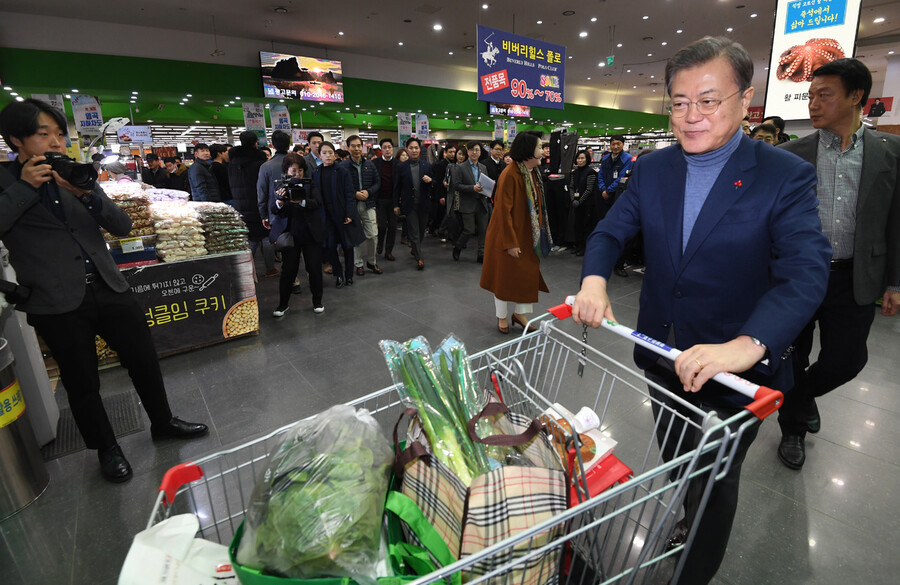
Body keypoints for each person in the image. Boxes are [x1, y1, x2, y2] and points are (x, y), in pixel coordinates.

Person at [571, 37, 830, 585]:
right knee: (680, 461)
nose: (691, 116)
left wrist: (748, 344)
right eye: (679, 102)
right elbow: (611, 230)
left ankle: (696, 569)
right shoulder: (652, 169)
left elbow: (805, 272)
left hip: (735, 373)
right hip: (663, 356)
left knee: (715, 480)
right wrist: (594, 278)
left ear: (745, 99)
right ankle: (685, 511)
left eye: (708, 100)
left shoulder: (784, 175)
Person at [0, 98, 208, 484]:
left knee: (144, 360)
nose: (56, 143)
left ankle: (162, 422)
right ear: (16, 140)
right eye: (43, 134)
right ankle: (106, 449)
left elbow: (123, 225)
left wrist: (86, 193)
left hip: (111, 287)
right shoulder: (6, 183)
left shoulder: (76, 174)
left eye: (60, 134)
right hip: (56, 301)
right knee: (82, 382)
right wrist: (27, 188)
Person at [776, 58, 900, 470]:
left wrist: (895, 282)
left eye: (823, 95)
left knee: (848, 360)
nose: (813, 104)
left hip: (855, 276)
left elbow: (896, 221)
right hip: (797, 275)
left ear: (856, 96)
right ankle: (792, 428)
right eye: (810, 95)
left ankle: (798, 396)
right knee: (791, 354)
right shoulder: (791, 154)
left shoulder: (890, 152)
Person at [480, 131, 552, 334]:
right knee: (503, 277)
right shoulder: (510, 174)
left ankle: (520, 313)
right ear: (528, 151)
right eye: (539, 147)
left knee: (526, 276)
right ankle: (501, 317)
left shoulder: (532, 173)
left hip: (528, 236)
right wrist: (510, 242)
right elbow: (503, 212)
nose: (542, 151)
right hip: (507, 235)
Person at [270, 153, 325, 317]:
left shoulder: (310, 184)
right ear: (286, 170)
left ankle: (317, 301)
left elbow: (317, 203)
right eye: (294, 171)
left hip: (310, 233)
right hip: (290, 235)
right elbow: (274, 210)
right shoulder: (279, 186)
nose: (297, 174)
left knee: (314, 268)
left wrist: (301, 201)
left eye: (300, 170)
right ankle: (283, 304)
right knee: (288, 270)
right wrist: (280, 202)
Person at [316, 141, 364, 287]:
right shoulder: (316, 173)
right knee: (330, 246)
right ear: (319, 155)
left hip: (342, 213)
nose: (328, 156)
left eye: (330, 152)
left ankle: (349, 275)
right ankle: (338, 275)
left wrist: (349, 213)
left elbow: (349, 193)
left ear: (335, 154)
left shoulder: (342, 171)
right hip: (326, 215)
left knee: (347, 245)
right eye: (324, 153)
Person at [227, 131, 276, 277]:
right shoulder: (260, 163)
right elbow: (264, 187)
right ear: (256, 143)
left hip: (240, 205)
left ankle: (247, 271)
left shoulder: (232, 164)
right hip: (259, 204)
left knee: (249, 238)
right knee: (266, 237)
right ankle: (270, 268)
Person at [340, 134, 382, 276]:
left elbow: (377, 183)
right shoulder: (343, 167)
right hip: (351, 205)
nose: (356, 149)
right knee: (355, 235)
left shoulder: (370, 164)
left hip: (368, 204)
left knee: (373, 234)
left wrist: (368, 192)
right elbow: (342, 187)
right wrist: (355, 194)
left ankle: (372, 261)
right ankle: (358, 264)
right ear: (347, 148)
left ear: (362, 147)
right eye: (353, 146)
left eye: (359, 145)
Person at [393, 138, 434, 270]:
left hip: (423, 204)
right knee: (414, 232)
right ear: (407, 150)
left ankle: (415, 249)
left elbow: (434, 184)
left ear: (420, 149)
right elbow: (396, 188)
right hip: (409, 205)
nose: (414, 150)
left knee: (421, 231)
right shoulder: (400, 167)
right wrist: (396, 205)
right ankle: (419, 258)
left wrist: (430, 181)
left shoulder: (426, 165)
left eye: (416, 148)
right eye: (411, 148)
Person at [257, 130, 292, 276]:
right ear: (289, 145)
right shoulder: (296, 162)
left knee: (281, 242)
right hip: (297, 209)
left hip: (276, 211)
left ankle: (291, 277)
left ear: (272, 145)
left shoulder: (266, 166)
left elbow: (262, 192)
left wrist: (264, 215)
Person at [451, 141, 491, 263]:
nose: (474, 152)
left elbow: (486, 183)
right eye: (472, 150)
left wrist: (488, 189)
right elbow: (456, 185)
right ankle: (458, 246)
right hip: (467, 203)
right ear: (467, 152)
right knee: (469, 229)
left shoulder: (483, 167)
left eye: (477, 150)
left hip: (482, 202)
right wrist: (472, 188)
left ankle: (481, 254)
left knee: (483, 230)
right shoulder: (460, 167)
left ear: (480, 152)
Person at [568, 150, 599, 257]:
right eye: (578, 158)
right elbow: (571, 186)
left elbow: (589, 189)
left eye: (582, 158)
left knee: (587, 226)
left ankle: (585, 247)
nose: (580, 160)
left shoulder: (591, 172)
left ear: (587, 159)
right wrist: (573, 199)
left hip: (588, 204)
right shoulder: (574, 172)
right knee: (577, 225)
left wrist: (580, 200)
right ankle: (578, 245)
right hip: (576, 204)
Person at [373, 138, 397, 261]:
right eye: (384, 147)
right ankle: (380, 243)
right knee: (382, 226)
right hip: (380, 200)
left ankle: (388, 251)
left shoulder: (398, 164)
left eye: (389, 147)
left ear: (393, 149)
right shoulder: (375, 163)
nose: (387, 150)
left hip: (393, 201)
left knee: (393, 227)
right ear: (381, 150)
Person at [429, 144, 455, 236]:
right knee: (440, 213)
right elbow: (439, 181)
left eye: (454, 152)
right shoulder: (441, 165)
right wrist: (441, 196)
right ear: (445, 153)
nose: (453, 154)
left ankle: (442, 230)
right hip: (442, 193)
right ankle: (435, 229)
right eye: (450, 152)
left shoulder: (454, 164)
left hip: (450, 192)